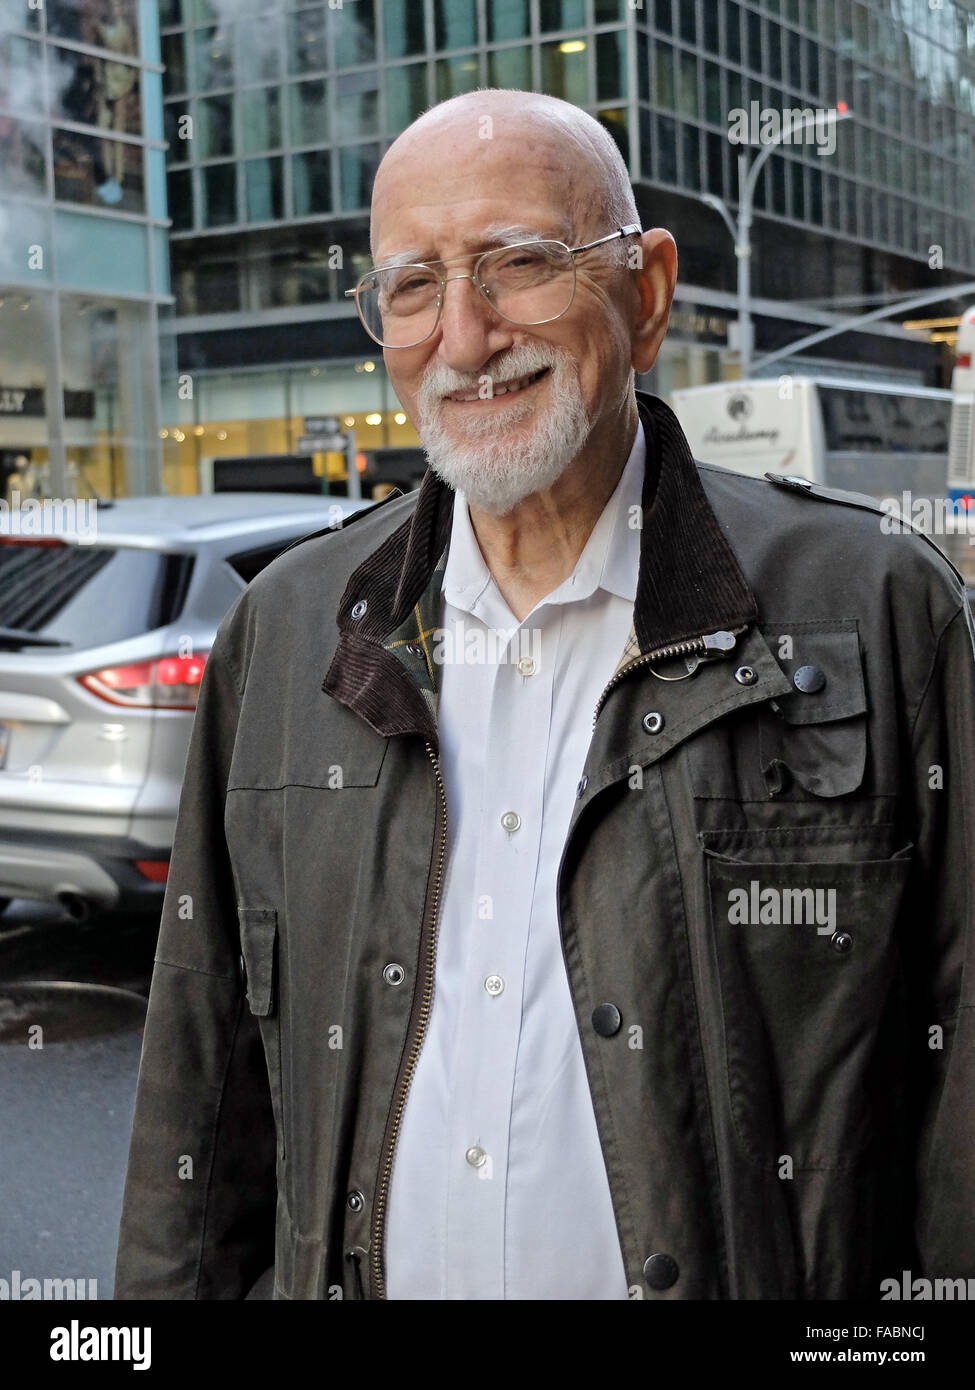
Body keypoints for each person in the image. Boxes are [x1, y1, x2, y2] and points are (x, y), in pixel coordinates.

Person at [114, 89, 975, 1302]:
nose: (463, 336)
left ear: (648, 291)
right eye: (411, 285)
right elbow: (198, 1083)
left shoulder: (876, 606)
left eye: (517, 263)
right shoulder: (290, 627)